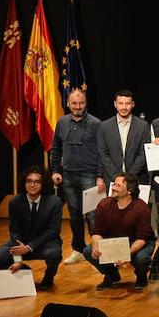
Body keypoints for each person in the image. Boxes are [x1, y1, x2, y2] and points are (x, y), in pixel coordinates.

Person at [0, 167, 63, 289]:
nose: (32, 185)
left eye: (37, 181)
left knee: (55, 254)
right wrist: (18, 259)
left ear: (44, 184)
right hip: (20, 244)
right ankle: (26, 272)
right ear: (24, 183)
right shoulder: (15, 202)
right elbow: (14, 232)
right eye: (29, 181)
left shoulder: (55, 202)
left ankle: (48, 279)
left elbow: (53, 231)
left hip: (43, 244)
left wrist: (29, 247)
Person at [49, 88, 102, 265]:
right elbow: (55, 149)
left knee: (93, 216)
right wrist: (55, 170)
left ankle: (98, 250)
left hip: (90, 175)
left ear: (86, 103)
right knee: (74, 216)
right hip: (68, 177)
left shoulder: (95, 124)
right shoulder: (62, 122)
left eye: (81, 103)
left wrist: (100, 176)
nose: (78, 106)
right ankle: (78, 249)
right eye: (74, 103)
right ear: (68, 104)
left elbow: (103, 152)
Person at [85, 173, 154, 290]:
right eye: (114, 184)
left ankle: (141, 276)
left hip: (137, 242)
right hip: (113, 242)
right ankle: (112, 275)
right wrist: (96, 246)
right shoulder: (104, 204)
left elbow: (142, 238)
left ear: (129, 191)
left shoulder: (142, 207)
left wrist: (125, 254)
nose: (113, 187)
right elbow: (97, 232)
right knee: (88, 251)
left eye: (118, 185)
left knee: (141, 258)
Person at [96, 89, 150, 192]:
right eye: (120, 103)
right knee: (114, 208)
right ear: (115, 104)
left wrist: (128, 178)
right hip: (112, 180)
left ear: (133, 104)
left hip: (137, 180)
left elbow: (143, 154)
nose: (124, 107)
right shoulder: (104, 126)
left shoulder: (143, 126)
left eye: (127, 104)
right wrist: (117, 177)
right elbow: (103, 154)